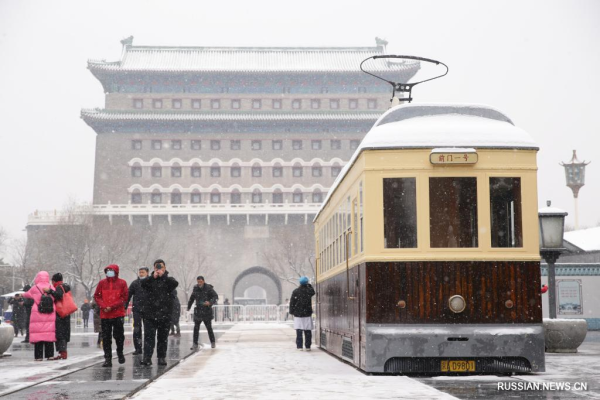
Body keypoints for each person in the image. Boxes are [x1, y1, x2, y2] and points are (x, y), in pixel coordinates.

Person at [141, 259, 178, 366]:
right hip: (150, 314)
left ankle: (161, 357)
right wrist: (153, 277)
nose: (159, 269)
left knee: (162, 338)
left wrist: (163, 276)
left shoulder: (168, 280)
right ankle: (147, 357)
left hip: (164, 314)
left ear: (165, 268)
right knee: (149, 337)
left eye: (161, 267)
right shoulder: (150, 279)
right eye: (157, 267)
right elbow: (142, 284)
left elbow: (175, 284)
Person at [94, 264, 128, 367]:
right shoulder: (102, 283)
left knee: (119, 336)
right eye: (108, 270)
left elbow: (124, 297)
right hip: (105, 315)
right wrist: (103, 306)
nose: (109, 272)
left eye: (111, 270)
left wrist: (112, 306)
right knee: (106, 337)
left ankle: (120, 352)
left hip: (117, 314)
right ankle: (107, 358)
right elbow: (97, 296)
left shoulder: (122, 283)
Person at [22, 271, 56, 360]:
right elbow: (55, 296)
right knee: (49, 334)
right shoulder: (50, 287)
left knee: (38, 336)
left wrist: (22, 294)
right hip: (49, 312)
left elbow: (26, 294)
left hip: (37, 312)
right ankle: (50, 355)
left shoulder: (34, 288)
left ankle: (38, 356)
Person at [187, 276, 218, 351]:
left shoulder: (208, 288)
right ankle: (195, 344)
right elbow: (192, 298)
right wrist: (188, 306)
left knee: (209, 328)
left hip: (206, 311)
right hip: (198, 311)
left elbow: (215, 296)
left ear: (203, 281)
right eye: (198, 282)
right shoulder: (195, 288)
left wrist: (210, 302)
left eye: (200, 281)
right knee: (196, 328)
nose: (199, 283)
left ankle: (213, 342)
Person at [125, 267, 149, 355]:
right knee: (137, 329)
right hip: (137, 309)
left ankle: (148, 348)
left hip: (148, 310)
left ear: (147, 273)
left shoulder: (151, 282)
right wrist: (125, 306)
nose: (141, 274)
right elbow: (128, 295)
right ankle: (138, 348)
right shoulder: (135, 283)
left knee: (148, 330)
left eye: (143, 272)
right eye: (140, 272)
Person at [47, 273, 71, 360]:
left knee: (60, 334)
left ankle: (62, 353)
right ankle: (63, 352)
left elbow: (59, 296)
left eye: (52, 281)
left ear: (54, 280)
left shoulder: (58, 287)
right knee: (64, 333)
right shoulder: (65, 287)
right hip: (66, 312)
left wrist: (50, 291)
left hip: (60, 313)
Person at [289, 276, 315, 351]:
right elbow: (313, 292)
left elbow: (292, 302)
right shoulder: (308, 291)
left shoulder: (296, 291)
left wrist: (292, 311)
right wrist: (309, 285)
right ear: (306, 283)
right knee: (307, 331)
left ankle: (299, 346)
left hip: (298, 314)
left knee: (299, 331)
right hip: (307, 314)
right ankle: (308, 346)